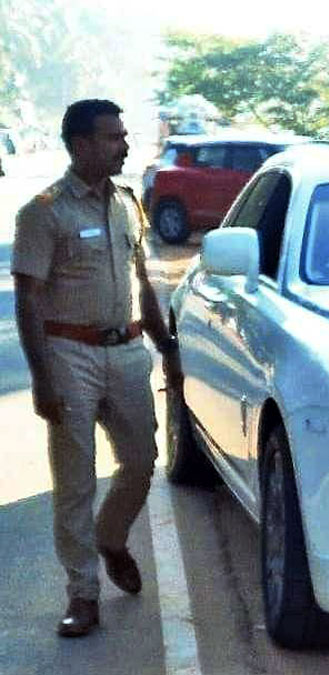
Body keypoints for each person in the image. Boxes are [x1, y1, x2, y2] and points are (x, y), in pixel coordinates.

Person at [12, 99, 179, 637]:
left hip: (127, 351)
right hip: (69, 355)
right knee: (75, 480)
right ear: (80, 144)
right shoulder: (44, 211)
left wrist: (166, 345)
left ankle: (111, 537)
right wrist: (41, 378)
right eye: (113, 137)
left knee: (142, 461)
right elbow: (28, 299)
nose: (124, 145)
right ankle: (82, 594)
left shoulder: (128, 203)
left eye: (124, 136)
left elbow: (142, 282)